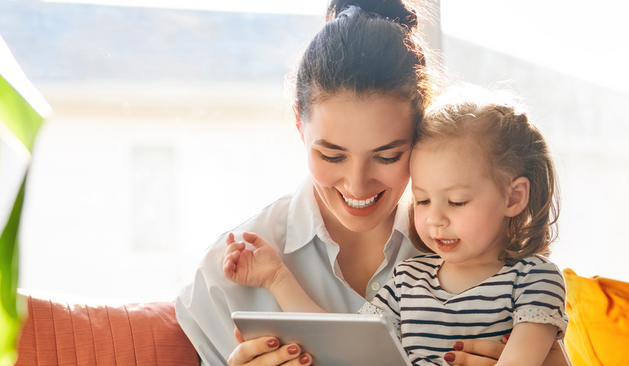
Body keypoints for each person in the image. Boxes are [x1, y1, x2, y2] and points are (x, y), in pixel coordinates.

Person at [175, 0, 569, 364]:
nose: (358, 185)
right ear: (299, 124)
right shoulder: (221, 279)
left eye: (387, 156)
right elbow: (346, 338)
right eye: (332, 155)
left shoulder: (479, 251)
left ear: (420, 133)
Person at [223, 84, 567, 366]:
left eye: (457, 201)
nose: (435, 219)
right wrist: (277, 279)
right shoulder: (407, 280)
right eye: (423, 200)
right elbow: (344, 345)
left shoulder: (534, 279)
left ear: (513, 197)